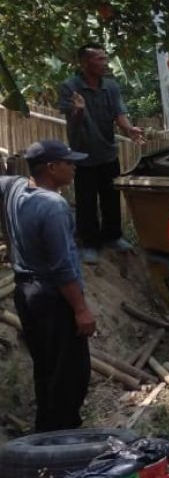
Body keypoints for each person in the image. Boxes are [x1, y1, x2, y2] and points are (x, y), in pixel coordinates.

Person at [0, 140, 95, 431]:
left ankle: (46, 429)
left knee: (45, 366)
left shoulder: (16, 188)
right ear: (52, 168)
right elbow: (62, 267)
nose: (74, 166)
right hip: (51, 296)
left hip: (25, 292)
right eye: (69, 162)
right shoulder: (53, 206)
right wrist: (80, 309)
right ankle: (63, 436)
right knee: (71, 372)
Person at [58, 44, 144, 263]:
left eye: (105, 59)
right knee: (86, 201)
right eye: (99, 59)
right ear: (85, 63)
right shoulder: (70, 87)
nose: (105, 63)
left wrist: (129, 129)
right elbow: (72, 118)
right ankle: (90, 243)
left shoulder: (111, 86)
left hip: (107, 151)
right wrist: (78, 109)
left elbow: (119, 113)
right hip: (83, 154)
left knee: (110, 197)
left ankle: (113, 237)